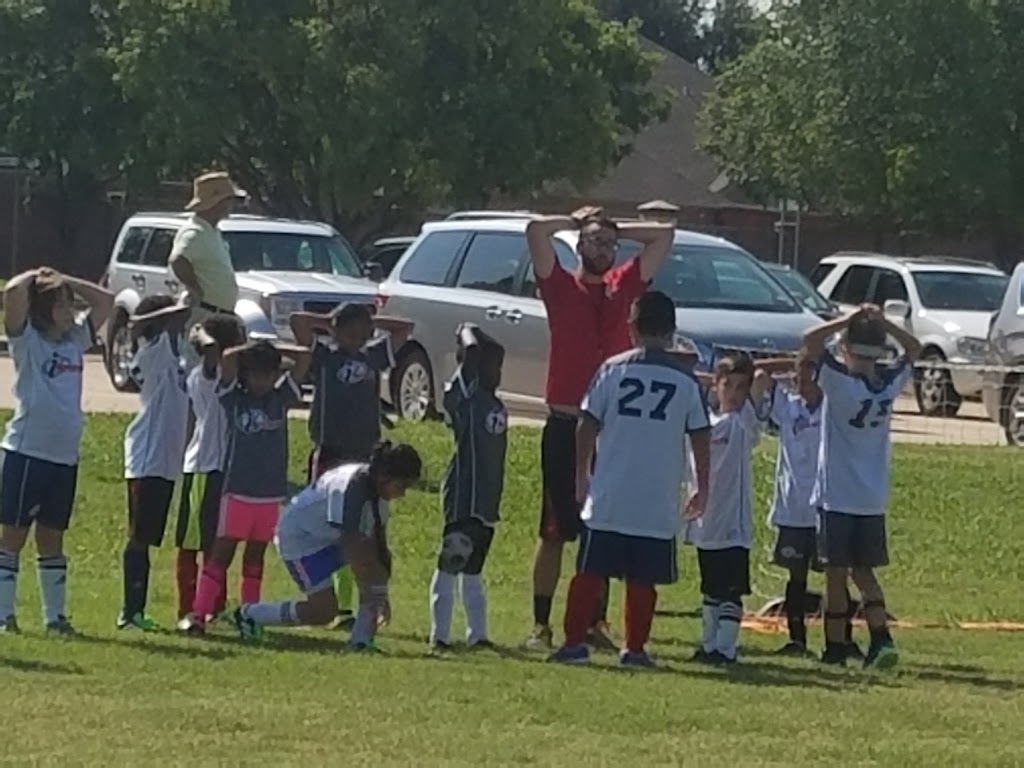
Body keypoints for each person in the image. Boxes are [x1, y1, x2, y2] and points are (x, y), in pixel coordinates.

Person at [524, 205, 673, 650]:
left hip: (612, 430)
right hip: (566, 424)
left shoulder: (623, 286)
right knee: (554, 530)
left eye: (609, 245)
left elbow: (664, 235)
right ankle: (540, 624)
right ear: (579, 246)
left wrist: (613, 228)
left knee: (601, 527)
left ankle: (594, 622)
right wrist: (575, 225)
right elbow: (535, 231)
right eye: (594, 242)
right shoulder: (560, 286)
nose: (603, 250)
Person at [549, 291, 710, 666]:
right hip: (655, 498)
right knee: (642, 579)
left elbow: (586, 424)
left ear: (632, 328)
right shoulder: (686, 382)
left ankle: (573, 644)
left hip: (610, 492)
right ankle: (634, 649)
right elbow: (701, 437)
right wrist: (702, 485)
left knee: (589, 571)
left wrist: (581, 474)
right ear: (671, 333)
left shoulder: (612, 369)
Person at [802, 304, 922, 668]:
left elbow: (809, 341)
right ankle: (881, 638)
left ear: (847, 348)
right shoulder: (888, 384)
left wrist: (848, 319)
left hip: (837, 494)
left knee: (836, 572)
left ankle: (836, 646)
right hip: (871, 497)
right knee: (865, 571)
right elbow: (914, 349)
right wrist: (883, 322)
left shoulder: (839, 380)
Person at [0, 267, 112, 634]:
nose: (70, 313)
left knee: (52, 537)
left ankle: (55, 618)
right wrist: (39, 275)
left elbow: (105, 302)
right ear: (44, 309)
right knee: (13, 536)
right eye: (62, 306)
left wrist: (67, 280)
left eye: (70, 306)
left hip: (64, 459)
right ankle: (3, 615)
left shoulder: (75, 340)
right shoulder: (28, 341)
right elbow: (14, 292)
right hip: (27, 453)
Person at [290, 303, 413, 630]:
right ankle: (328, 596)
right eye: (351, 331)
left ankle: (353, 605)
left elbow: (404, 328)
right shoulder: (325, 356)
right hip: (330, 453)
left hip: (365, 456)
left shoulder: (372, 356)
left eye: (363, 331)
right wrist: (330, 322)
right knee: (333, 528)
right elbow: (298, 322)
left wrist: (369, 321)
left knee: (364, 529)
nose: (358, 337)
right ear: (337, 330)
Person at [233, 441, 422, 652]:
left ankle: (360, 643)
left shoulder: (379, 494)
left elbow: (379, 547)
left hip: (329, 540)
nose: (403, 493)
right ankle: (249, 614)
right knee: (323, 611)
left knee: (373, 568)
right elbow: (352, 544)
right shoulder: (349, 487)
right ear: (385, 476)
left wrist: (381, 590)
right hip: (301, 539)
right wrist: (375, 591)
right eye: (402, 485)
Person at [178, 339, 311, 634]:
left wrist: (273, 348)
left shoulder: (279, 398)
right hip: (237, 490)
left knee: (255, 557)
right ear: (245, 374)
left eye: (268, 374)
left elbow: (304, 359)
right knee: (221, 553)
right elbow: (227, 357)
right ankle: (199, 614)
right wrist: (251, 348)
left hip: (269, 494)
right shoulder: (233, 398)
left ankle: (249, 616)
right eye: (255, 373)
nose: (261, 380)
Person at [686, 355, 774, 665]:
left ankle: (726, 648)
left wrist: (757, 374)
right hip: (705, 522)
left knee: (730, 591)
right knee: (710, 588)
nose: (734, 394)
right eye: (728, 386)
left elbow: (762, 374)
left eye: (741, 387)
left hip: (733, 526)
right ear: (716, 385)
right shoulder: (702, 425)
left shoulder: (742, 424)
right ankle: (708, 645)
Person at [429, 323, 507, 651]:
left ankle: (477, 634)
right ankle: (440, 635)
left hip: (487, 498)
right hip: (465, 494)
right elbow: (472, 350)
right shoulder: (465, 397)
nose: (497, 373)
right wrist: (466, 330)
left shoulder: (493, 402)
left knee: (474, 568)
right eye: (493, 366)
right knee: (451, 561)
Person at [118, 296, 191, 631]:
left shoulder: (175, 355)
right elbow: (174, 314)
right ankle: (130, 611)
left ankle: (136, 609)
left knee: (148, 535)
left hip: (166, 461)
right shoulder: (153, 352)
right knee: (139, 537)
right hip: (147, 458)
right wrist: (180, 300)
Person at [173, 315, 246, 623]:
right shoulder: (205, 374)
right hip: (202, 466)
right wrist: (201, 333)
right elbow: (212, 352)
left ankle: (215, 604)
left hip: (226, 469)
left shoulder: (236, 378)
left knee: (219, 542)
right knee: (192, 542)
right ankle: (187, 607)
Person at [764, 353, 823, 656]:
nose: (802, 385)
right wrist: (790, 361)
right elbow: (758, 374)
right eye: (798, 378)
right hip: (792, 507)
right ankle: (796, 639)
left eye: (809, 377)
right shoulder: (787, 406)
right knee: (795, 576)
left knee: (837, 574)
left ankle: (840, 640)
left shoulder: (831, 409)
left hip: (824, 505)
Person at [169, 171, 246, 367]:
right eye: (228, 200)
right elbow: (178, 260)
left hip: (220, 315)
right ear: (215, 201)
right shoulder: (194, 231)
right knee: (199, 370)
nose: (231, 206)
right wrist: (195, 289)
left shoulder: (211, 231)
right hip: (204, 313)